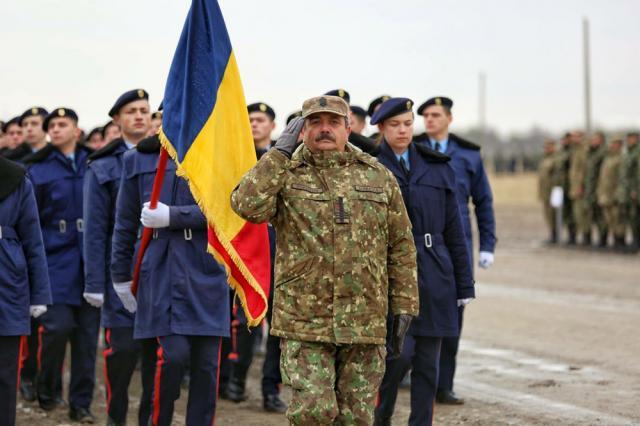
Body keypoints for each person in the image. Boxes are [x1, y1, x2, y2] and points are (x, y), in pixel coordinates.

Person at [231, 95, 419, 425]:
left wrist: (404, 304)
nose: (324, 129)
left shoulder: (377, 177)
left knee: (357, 417)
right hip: (305, 321)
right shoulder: (285, 173)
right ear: (301, 130)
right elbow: (245, 205)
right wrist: (278, 154)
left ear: (349, 128)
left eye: (333, 122)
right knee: (313, 413)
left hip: (364, 319)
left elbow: (401, 246)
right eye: (315, 122)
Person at [110, 135, 230, 426]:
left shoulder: (219, 155)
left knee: (206, 367)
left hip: (206, 268)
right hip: (162, 268)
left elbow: (228, 210)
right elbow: (124, 222)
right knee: (170, 357)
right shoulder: (138, 159)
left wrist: (176, 216)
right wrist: (120, 275)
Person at [370, 98, 473, 426]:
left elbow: (455, 230)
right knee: (398, 357)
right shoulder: (371, 166)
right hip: (391, 272)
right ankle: (381, 416)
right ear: (382, 129)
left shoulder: (437, 166)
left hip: (435, 269)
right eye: (395, 125)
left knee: (430, 362)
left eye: (407, 123)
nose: (403, 130)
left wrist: (464, 282)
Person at [414, 96, 496, 405]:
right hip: (422, 238)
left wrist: (488, 245)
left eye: (436, 115)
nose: (430, 120)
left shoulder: (468, 156)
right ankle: (416, 375)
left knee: (453, 313)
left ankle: (443, 384)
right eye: (425, 116)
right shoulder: (413, 150)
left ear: (449, 118)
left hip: (457, 241)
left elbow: (483, 202)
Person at [83, 89, 155, 425]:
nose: (139, 116)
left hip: (158, 270)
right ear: (117, 120)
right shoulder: (103, 165)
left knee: (155, 357)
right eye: (131, 111)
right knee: (121, 353)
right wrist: (96, 283)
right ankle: (116, 417)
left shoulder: (166, 159)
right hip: (120, 271)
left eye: (144, 110)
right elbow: (96, 230)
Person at [24, 108, 99, 422]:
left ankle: (80, 403)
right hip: (55, 260)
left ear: (76, 130)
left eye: (61, 124)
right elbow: (30, 219)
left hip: (90, 260)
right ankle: (47, 385)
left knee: (86, 338)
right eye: (51, 125)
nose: (55, 129)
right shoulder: (38, 168)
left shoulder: (93, 161)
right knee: (55, 329)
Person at [223, 101, 286, 413]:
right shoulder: (236, 159)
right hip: (245, 255)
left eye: (261, 120)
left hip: (280, 256)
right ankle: (236, 378)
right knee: (244, 324)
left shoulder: (285, 161)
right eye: (249, 120)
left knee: (278, 330)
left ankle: (271, 388)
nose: (255, 125)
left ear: (272, 126)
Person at [0, 157, 52, 426]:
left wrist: (40, 293)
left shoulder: (16, 179)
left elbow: (33, 238)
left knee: (5, 374)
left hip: (7, 280)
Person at [597, 138, 625, 249]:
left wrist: (619, 193)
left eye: (614, 143)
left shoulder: (621, 158)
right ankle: (615, 240)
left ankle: (621, 241)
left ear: (620, 145)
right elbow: (602, 178)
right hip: (605, 194)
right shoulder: (608, 159)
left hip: (615, 194)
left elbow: (622, 179)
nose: (612, 146)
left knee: (618, 218)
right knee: (609, 219)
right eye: (611, 143)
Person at [583, 132, 608, 247]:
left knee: (601, 215)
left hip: (600, 188)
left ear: (601, 140)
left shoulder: (603, 153)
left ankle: (603, 239)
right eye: (592, 139)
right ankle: (598, 238)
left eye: (595, 139)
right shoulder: (591, 153)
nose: (592, 141)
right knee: (593, 214)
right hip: (591, 189)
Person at [616, 132, 640, 252]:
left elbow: (638, 174)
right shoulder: (629, 152)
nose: (629, 140)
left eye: (631, 138)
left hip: (635, 190)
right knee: (632, 217)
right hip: (629, 190)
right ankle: (635, 241)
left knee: (635, 217)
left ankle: (636, 242)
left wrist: (635, 189)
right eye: (628, 138)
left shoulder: (637, 152)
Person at [551, 133, 575, 243]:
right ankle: (562, 236)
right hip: (560, 187)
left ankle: (572, 236)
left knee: (571, 213)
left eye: (566, 139)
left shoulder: (573, 152)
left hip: (570, 186)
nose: (564, 141)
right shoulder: (560, 152)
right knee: (562, 213)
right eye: (563, 140)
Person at [567, 131, 589, 245]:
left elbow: (584, 170)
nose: (573, 139)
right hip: (574, 186)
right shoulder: (574, 150)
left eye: (576, 136)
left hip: (580, 187)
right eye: (573, 137)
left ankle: (587, 238)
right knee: (577, 214)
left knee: (583, 213)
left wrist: (581, 185)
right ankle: (581, 237)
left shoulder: (583, 150)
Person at [538, 138, 557, 243]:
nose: (546, 149)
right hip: (545, 191)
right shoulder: (545, 159)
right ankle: (552, 234)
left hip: (552, 191)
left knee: (554, 215)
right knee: (548, 215)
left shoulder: (556, 159)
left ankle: (555, 235)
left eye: (548, 147)